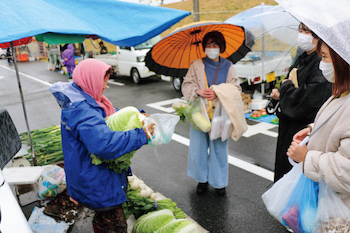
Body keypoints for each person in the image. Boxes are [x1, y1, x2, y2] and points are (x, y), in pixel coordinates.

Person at [49, 59, 154, 233]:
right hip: (98, 182)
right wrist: (140, 134)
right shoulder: (83, 111)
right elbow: (104, 145)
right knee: (115, 226)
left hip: (89, 177)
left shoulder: (83, 101)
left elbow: (105, 119)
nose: (105, 86)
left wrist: (136, 116)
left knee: (103, 220)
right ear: (90, 79)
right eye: (102, 81)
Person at [287, 38, 350, 209]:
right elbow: (339, 126)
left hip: (339, 211)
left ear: (343, 59)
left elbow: (346, 171)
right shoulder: (342, 93)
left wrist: (307, 157)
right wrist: (312, 130)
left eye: (324, 57)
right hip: (327, 202)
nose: (321, 64)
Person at [181, 31, 242, 196]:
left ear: (221, 47)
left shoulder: (228, 66)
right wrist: (197, 90)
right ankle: (202, 180)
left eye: (215, 45)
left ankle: (219, 182)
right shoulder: (196, 64)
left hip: (221, 113)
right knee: (198, 148)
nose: (211, 48)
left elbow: (236, 89)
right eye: (208, 45)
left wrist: (218, 92)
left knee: (219, 148)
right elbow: (186, 84)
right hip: (199, 113)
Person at [271, 23, 332, 182]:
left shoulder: (320, 64)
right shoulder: (302, 57)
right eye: (300, 30)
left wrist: (286, 88)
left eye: (307, 31)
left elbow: (308, 98)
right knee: (284, 169)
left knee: (295, 177)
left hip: (302, 129)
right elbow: (290, 81)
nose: (302, 34)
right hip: (289, 126)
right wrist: (281, 90)